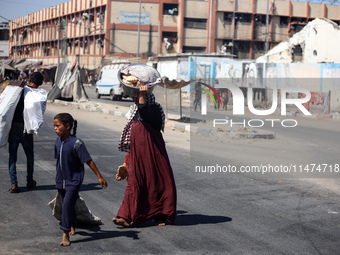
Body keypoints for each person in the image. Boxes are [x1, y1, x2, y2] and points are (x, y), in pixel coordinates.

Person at [112, 85, 177, 227]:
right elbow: (133, 141)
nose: (136, 101)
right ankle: (125, 217)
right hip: (137, 154)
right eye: (135, 98)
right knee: (133, 182)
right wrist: (126, 163)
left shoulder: (153, 109)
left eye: (138, 98)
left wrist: (142, 94)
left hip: (154, 153)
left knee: (158, 183)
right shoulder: (136, 111)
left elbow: (145, 111)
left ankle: (160, 215)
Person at [53, 113, 108, 246]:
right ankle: (72, 223)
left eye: (57, 126)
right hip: (61, 180)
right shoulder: (58, 141)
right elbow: (58, 160)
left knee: (66, 204)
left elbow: (88, 161)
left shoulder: (77, 143)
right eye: (54, 126)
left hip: (74, 180)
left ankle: (65, 233)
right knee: (68, 204)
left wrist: (99, 176)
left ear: (67, 126)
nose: (55, 128)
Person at [8, 71, 46, 193]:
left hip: (14, 128)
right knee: (29, 156)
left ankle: (14, 184)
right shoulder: (40, 95)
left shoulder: (20, 90)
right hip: (27, 129)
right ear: (40, 82)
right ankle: (30, 180)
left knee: (13, 156)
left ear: (29, 79)